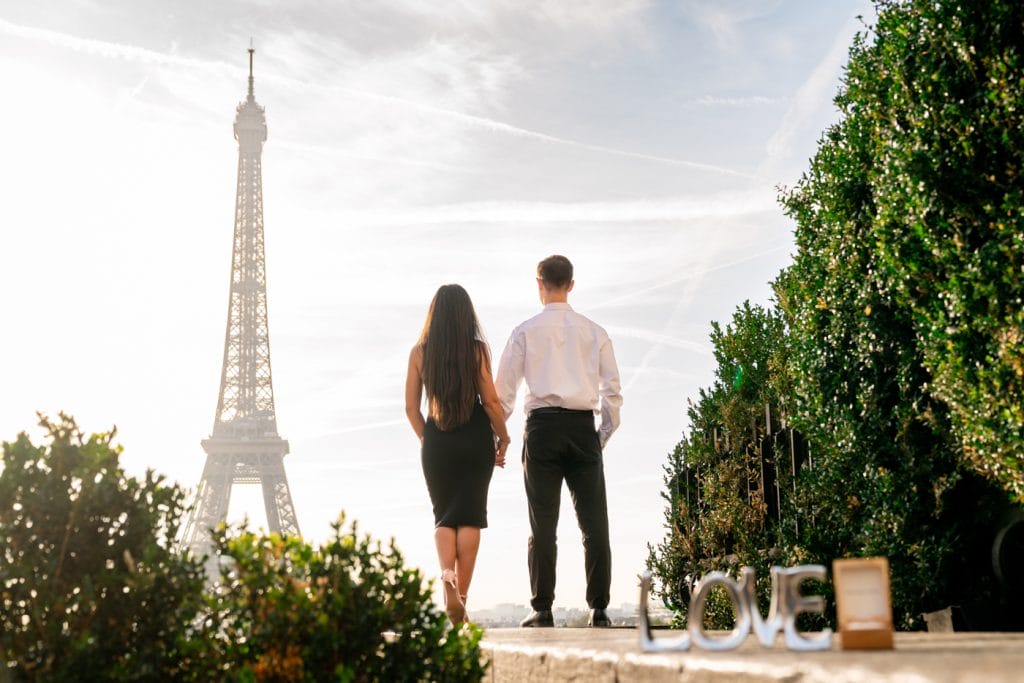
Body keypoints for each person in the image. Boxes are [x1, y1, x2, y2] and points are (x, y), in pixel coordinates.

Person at [496, 255, 622, 628]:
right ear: (571, 283)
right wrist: (600, 436)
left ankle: (542, 608)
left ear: (539, 283)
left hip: (541, 429)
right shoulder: (595, 332)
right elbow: (612, 393)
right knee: (595, 523)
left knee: (542, 524)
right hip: (583, 427)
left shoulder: (524, 331)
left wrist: (497, 437)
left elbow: (504, 393)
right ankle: (598, 608)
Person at [405, 284, 511, 626]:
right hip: (475, 438)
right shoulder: (477, 350)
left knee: (444, 516)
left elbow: (410, 408)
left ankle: (447, 574)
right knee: (469, 516)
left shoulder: (419, 353)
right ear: (467, 315)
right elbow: (492, 402)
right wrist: (503, 438)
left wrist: (429, 440)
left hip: (438, 438)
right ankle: (461, 598)